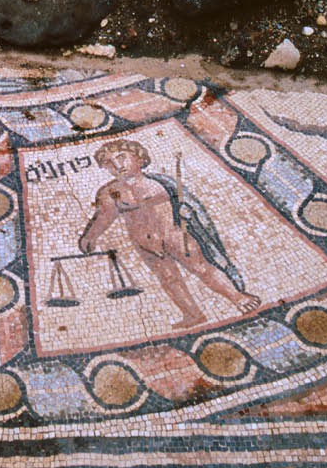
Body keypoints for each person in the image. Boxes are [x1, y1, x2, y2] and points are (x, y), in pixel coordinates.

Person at [78, 138, 259, 330]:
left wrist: (187, 212)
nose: (116, 165)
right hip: (145, 245)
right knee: (168, 278)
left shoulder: (157, 183)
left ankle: (238, 297)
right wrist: (90, 236)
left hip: (175, 236)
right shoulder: (110, 192)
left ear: (139, 159)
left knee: (201, 268)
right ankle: (192, 314)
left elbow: (186, 204)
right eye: (108, 163)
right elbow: (104, 217)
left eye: (122, 157)